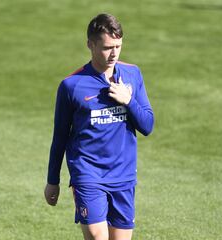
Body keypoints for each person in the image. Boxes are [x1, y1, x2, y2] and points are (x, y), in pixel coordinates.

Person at [44, 13, 154, 240]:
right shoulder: (71, 85)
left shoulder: (132, 75)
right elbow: (60, 136)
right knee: (96, 236)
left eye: (118, 46)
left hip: (123, 175)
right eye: (107, 47)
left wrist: (128, 100)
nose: (114, 53)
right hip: (88, 173)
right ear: (90, 45)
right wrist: (52, 181)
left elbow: (147, 125)